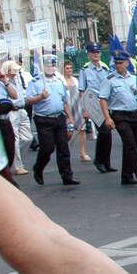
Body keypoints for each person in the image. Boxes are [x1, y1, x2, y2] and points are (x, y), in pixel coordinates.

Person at [26, 54, 79, 186]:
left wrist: (70, 117)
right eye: (48, 65)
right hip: (44, 119)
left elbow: (65, 101)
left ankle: (67, 176)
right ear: (43, 66)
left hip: (59, 117)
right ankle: (38, 168)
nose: (51, 68)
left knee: (63, 148)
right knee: (47, 148)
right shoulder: (35, 82)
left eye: (53, 65)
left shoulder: (59, 81)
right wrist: (40, 97)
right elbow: (28, 100)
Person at [101, 50, 137, 188]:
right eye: (116, 63)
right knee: (129, 144)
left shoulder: (134, 78)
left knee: (131, 145)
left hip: (134, 113)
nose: (118, 65)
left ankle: (126, 176)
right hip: (119, 115)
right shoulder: (109, 80)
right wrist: (107, 118)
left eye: (121, 63)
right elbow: (103, 99)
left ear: (127, 63)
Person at [79, 44, 115, 174]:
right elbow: (82, 90)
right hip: (92, 102)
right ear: (88, 54)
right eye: (93, 52)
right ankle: (99, 160)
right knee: (104, 131)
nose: (96, 54)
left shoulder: (105, 67)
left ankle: (106, 162)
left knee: (108, 133)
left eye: (98, 52)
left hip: (104, 101)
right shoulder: (85, 70)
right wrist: (85, 110)